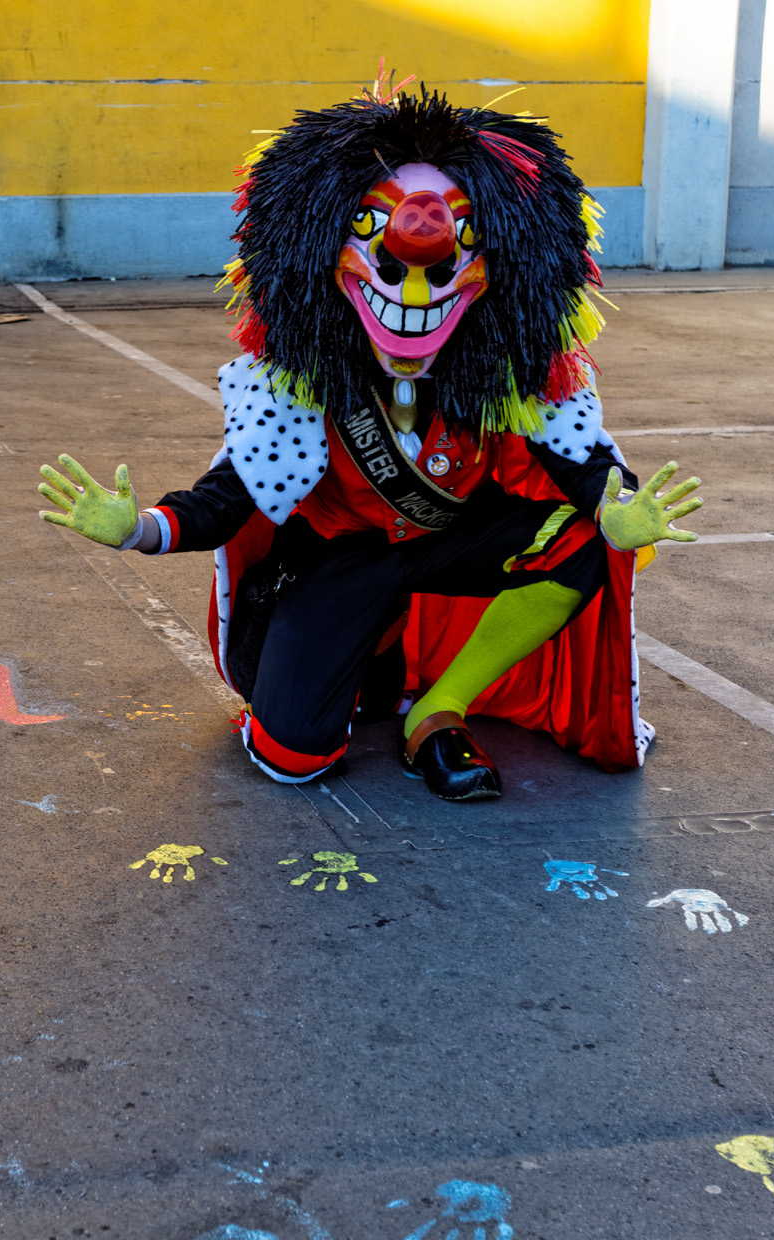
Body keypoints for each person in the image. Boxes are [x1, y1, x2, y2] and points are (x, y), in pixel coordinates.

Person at [35, 79, 703, 802]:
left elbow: (582, 466)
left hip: (453, 540)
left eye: (461, 236)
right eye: (372, 230)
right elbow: (228, 498)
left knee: (578, 538)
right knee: (293, 758)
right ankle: (369, 646)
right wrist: (138, 529)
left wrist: (616, 511)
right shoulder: (293, 378)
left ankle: (439, 710)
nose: (416, 278)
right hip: (341, 559)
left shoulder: (516, 371)